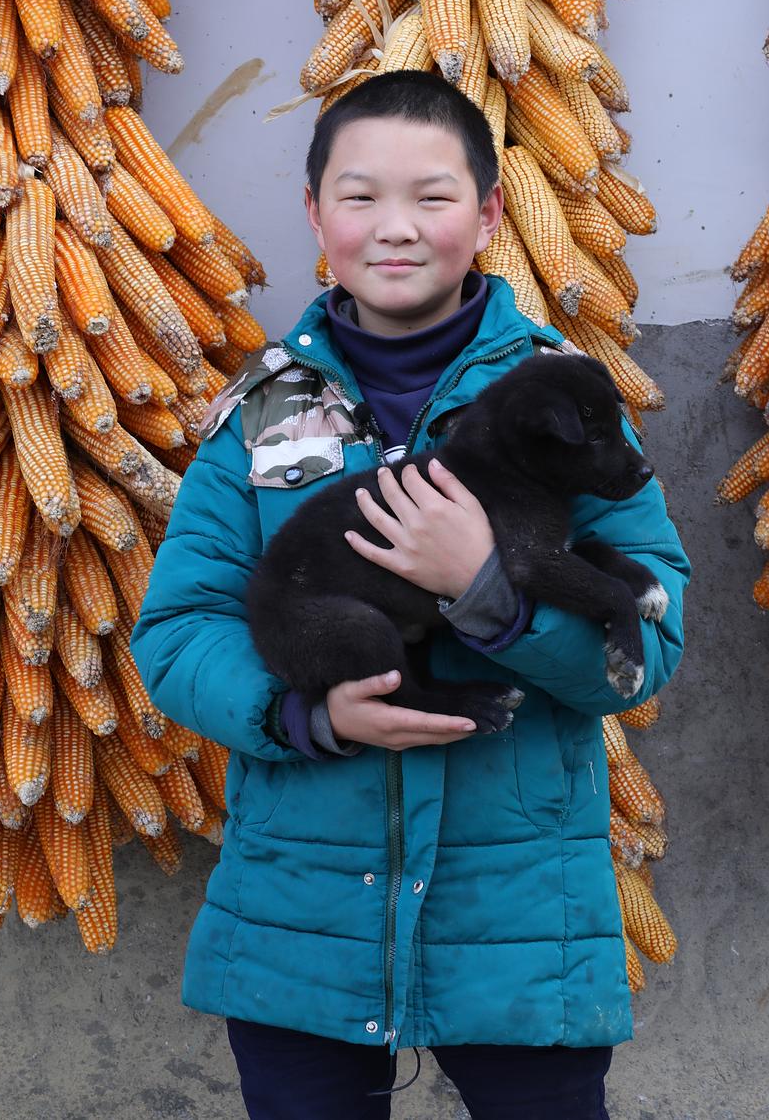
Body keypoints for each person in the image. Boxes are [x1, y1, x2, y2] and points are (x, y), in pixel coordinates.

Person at [130, 69, 690, 1120]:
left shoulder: (555, 393)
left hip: (518, 916)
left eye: (433, 198)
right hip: (304, 914)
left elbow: (650, 645)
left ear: (485, 216)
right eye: (360, 197)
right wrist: (301, 711)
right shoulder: (268, 415)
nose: (396, 229)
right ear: (314, 214)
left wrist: (491, 596)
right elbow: (178, 631)